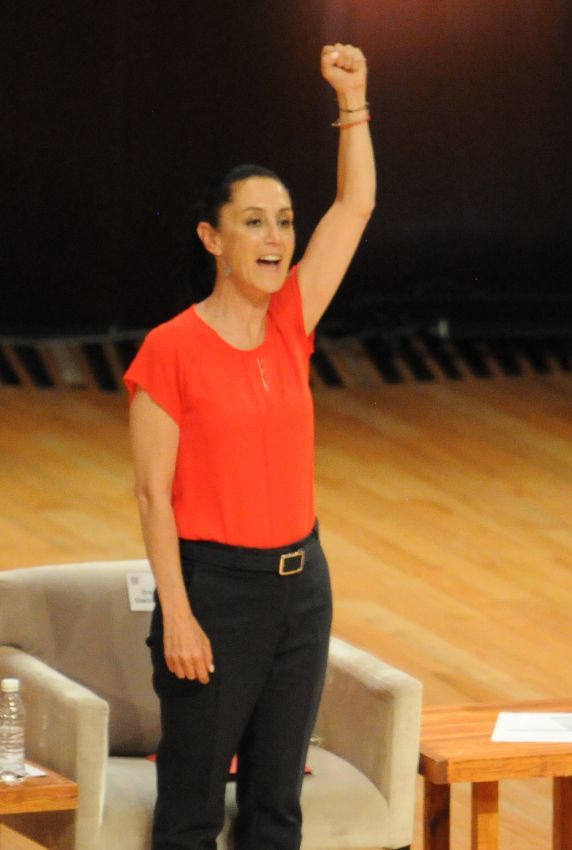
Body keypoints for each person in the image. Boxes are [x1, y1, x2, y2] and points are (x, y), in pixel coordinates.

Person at [124, 44, 374, 850]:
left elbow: (357, 203)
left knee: (276, 811)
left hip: (302, 590)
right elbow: (151, 498)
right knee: (194, 814)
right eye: (254, 223)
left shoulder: (291, 319)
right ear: (212, 238)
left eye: (285, 222)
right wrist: (180, 615)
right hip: (215, 592)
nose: (275, 238)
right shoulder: (170, 349)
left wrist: (353, 100)